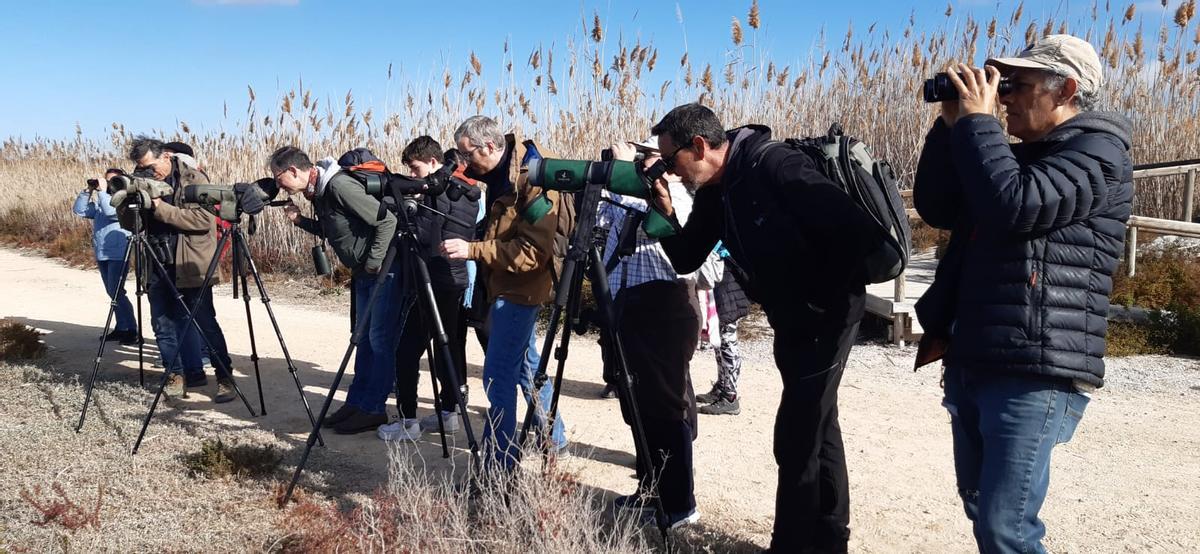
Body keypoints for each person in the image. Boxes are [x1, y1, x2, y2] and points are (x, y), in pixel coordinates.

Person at [913, 34, 1133, 553]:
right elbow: (939, 207)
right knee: (979, 504)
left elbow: (1015, 206)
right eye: (1002, 86)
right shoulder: (1015, 157)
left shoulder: (1099, 154)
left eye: (1019, 85)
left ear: (1067, 90)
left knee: (1005, 526)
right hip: (976, 353)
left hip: (1034, 367)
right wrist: (950, 129)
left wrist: (979, 125)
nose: (1004, 96)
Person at [649, 103, 879, 552]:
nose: (672, 171)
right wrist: (663, 213)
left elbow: (856, 233)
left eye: (672, 159)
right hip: (791, 317)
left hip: (825, 315)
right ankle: (830, 538)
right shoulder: (718, 190)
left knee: (795, 436)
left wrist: (810, 290)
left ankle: (790, 544)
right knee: (818, 425)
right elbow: (685, 257)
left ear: (698, 146)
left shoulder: (773, 164)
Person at [441, 115, 567, 468]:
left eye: (468, 155)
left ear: (491, 146)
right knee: (527, 367)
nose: (465, 164)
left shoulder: (533, 178)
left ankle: (499, 466)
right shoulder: (499, 175)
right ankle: (555, 439)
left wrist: (472, 250)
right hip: (503, 286)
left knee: (498, 379)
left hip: (521, 290)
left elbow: (531, 253)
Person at [599, 138, 701, 529]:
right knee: (637, 406)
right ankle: (650, 487)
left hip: (665, 304)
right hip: (628, 303)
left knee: (664, 408)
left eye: (650, 158)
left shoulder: (676, 193)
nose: (642, 164)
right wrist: (615, 180)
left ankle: (680, 503)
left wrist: (634, 177)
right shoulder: (627, 193)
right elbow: (604, 226)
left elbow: (673, 233)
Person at [274, 146, 400, 434]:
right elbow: (336, 230)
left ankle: (373, 409)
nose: (279, 185)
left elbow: (386, 221)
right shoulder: (320, 191)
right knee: (363, 339)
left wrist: (373, 263)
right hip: (365, 274)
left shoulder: (339, 186)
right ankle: (357, 403)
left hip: (382, 272)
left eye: (279, 178)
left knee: (379, 340)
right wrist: (300, 222)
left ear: (294, 170)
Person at [378, 136, 479, 442]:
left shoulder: (438, 193)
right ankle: (448, 414)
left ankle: (408, 421)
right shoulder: (467, 191)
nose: (412, 176)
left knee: (407, 350)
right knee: (448, 348)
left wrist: (404, 212)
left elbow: (424, 234)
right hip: (455, 279)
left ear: (434, 162)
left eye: (415, 168)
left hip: (433, 279)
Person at [128, 137, 238, 403]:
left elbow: (203, 220)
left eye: (152, 166)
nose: (150, 173)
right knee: (162, 324)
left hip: (191, 263)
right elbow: (134, 226)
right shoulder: (142, 180)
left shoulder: (193, 178)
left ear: (166, 156)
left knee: (205, 322)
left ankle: (225, 377)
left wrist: (159, 207)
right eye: (143, 168)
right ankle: (175, 376)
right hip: (157, 259)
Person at [74, 168, 138, 345]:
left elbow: (112, 212)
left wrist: (102, 191)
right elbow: (80, 211)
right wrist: (88, 190)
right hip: (102, 252)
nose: (108, 184)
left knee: (117, 291)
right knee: (112, 292)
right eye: (106, 180)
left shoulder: (123, 200)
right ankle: (121, 327)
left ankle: (131, 330)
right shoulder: (102, 201)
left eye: (112, 181)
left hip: (118, 252)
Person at [696, 248, 750, 416]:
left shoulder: (726, 251)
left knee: (727, 339)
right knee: (720, 339)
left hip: (727, 286)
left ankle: (730, 396)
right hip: (725, 283)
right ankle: (722, 387)